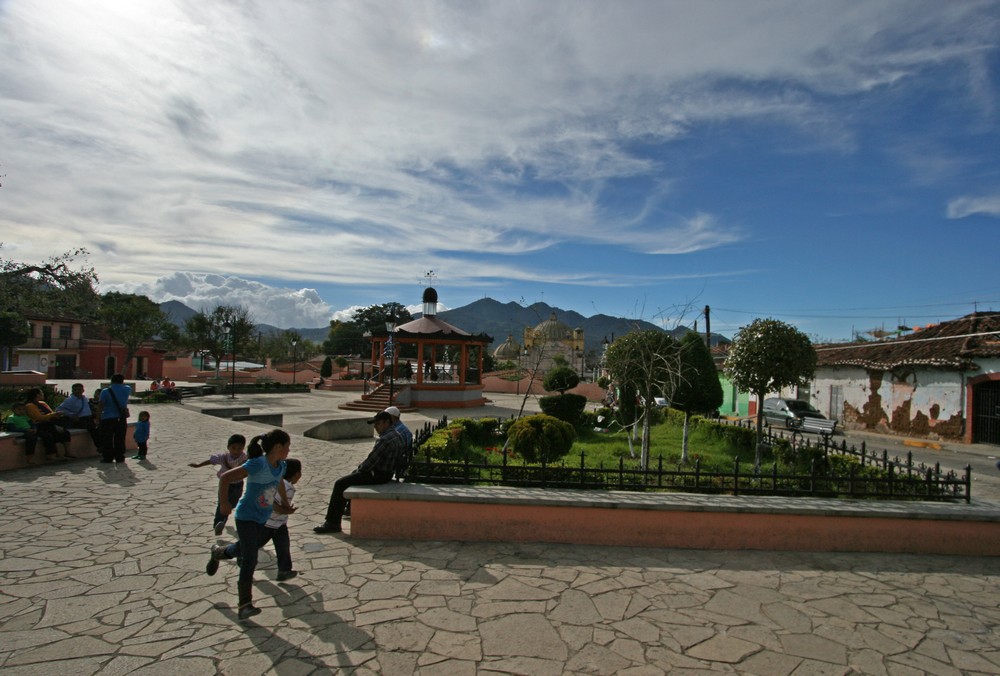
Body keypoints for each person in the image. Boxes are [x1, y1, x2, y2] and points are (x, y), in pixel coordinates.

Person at [205, 429, 294, 620]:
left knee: (246, 548)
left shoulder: (281, 466)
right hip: (246, 516)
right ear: (278, 447)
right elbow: (226, 477)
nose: (288, 450)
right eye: (287, 447)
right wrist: (224, 503)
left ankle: (219, 552)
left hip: (262, 516)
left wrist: (285, 505)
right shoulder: (257, 464)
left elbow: (277, 485)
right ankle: (244, 604)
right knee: (250, 557)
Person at [314, 410, 405, 534]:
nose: (375, 427)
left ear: (386, 422)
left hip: (378, 475)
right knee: (350, 479)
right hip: (386, 474)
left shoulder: (386, 439)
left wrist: (358, 470)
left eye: (378, 424)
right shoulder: (396, 435)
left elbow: (371, 462)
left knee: (340, 484)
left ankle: (333, 522)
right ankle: (347, 508)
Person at [190, 434, 248, 535]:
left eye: (239, 448)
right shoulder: (223, 457)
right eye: (233, 448)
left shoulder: (245, 458)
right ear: (228, 447)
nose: (236, 451)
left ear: (243, 448)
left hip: (238, 485)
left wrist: (242, 476)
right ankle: (218, 524)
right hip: (224, 485)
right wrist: (199, 465)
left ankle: (223, 518)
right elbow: (211, 461)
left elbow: (248, 469)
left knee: (233, 503)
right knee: (222, 503)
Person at [258, 458, 301, 581]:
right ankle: (228, 552)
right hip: (268, 523)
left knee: (283, 546)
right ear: (297, 474)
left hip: (279, 523)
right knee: (256, 544)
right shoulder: (287, 488)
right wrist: (286, 511)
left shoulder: (277, 482)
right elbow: (269, 502)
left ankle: (284, 570)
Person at [24, 388, 70, 462]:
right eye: (41, 393)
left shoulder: (43, 403)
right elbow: (39, 418)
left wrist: (56, 415)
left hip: (49, 423)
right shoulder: (30, 406)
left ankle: (67, 452)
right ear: (37, 395)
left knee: (64, 432)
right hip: (38, 425)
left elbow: (50, 413)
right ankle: (51, 455)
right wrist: (53, 414)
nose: (43, 394)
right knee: (49, 435)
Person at [98, 374, 132, 463]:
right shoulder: (127, 389)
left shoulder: (105, 391)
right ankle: (119, 456)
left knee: (107, 438)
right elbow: (127, 386)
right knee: (120, 438)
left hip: (107, 417)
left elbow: (100, 405)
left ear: (111, 381)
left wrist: (98, 418)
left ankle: (108, 457)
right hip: (121, 417)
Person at [56, 382, 100, 447]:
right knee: (92, 429)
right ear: (72, 390)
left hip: (89, 418)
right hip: (81, 419)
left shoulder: (85, 399)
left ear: (83, 390)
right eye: (75, 390)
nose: (77, 391)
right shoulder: (70, 400)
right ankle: (99, 446)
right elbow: (59, 409)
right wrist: (71, 414)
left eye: (79, 389)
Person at [383, 405, 414, 478]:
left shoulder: (396, 430)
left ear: (393, 417)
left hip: (397, 459)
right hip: (403, 455)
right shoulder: (400, 426)